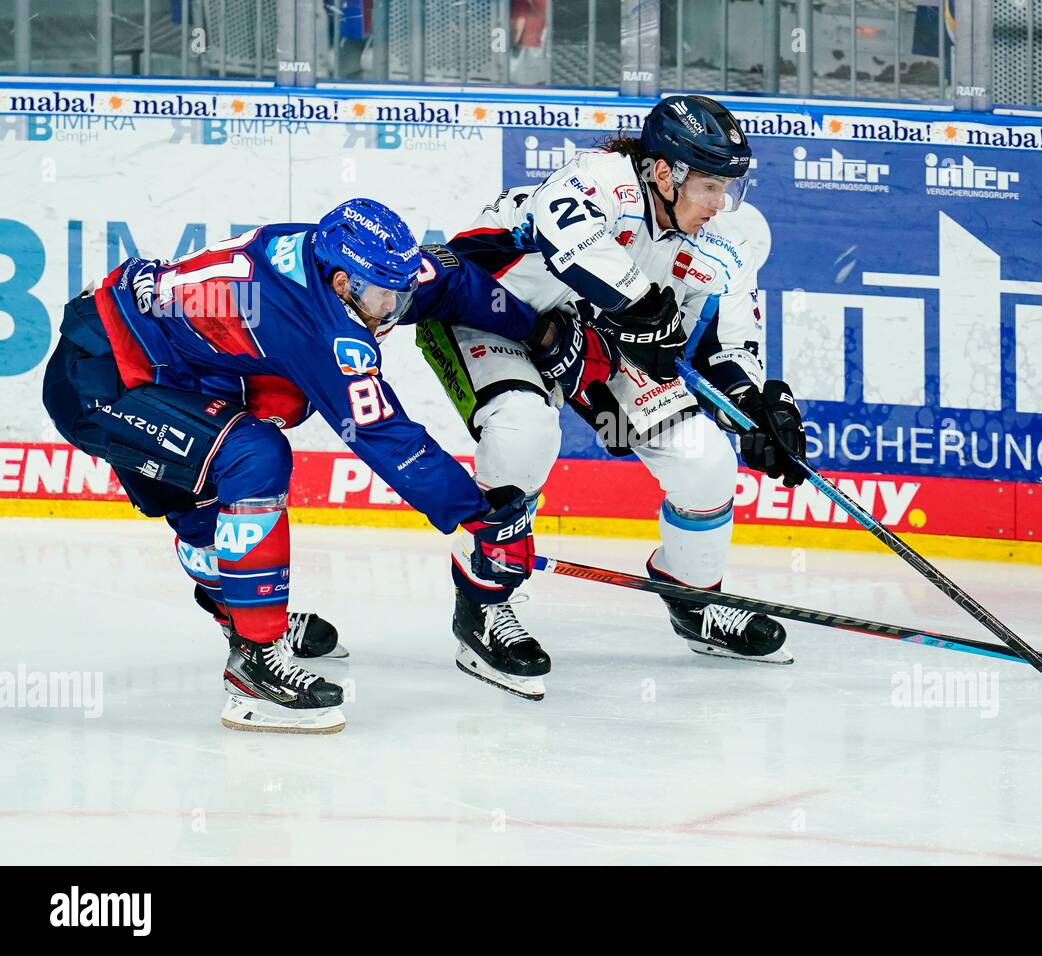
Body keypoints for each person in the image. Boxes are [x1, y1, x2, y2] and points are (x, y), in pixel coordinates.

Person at [42, 198, 548, 729]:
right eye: (382, 297)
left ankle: (248, 614)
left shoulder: (361, 267)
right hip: (106, 381)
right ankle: (254, 665)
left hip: (177, 366)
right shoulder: (315, 324)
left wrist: (538, 332)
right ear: (339, 283)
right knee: (252, 455)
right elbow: (388, 440)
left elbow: (453, 283)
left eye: (401, 292)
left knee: (252, 442)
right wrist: (478, 513)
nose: (394, 309)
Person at [417, 95, 808, 687]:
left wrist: (759, 409)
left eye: (727, 187)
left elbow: (725, 343)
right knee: (525, 429)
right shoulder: (600, 178)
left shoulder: (726, 239)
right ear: (663, 173)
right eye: (709, 186)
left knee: (704, 459)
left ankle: (691, 593)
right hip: (486, 311)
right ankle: (484, 602)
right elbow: (565, 239)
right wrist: (642, 304)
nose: (719, 203)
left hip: (588, 338)